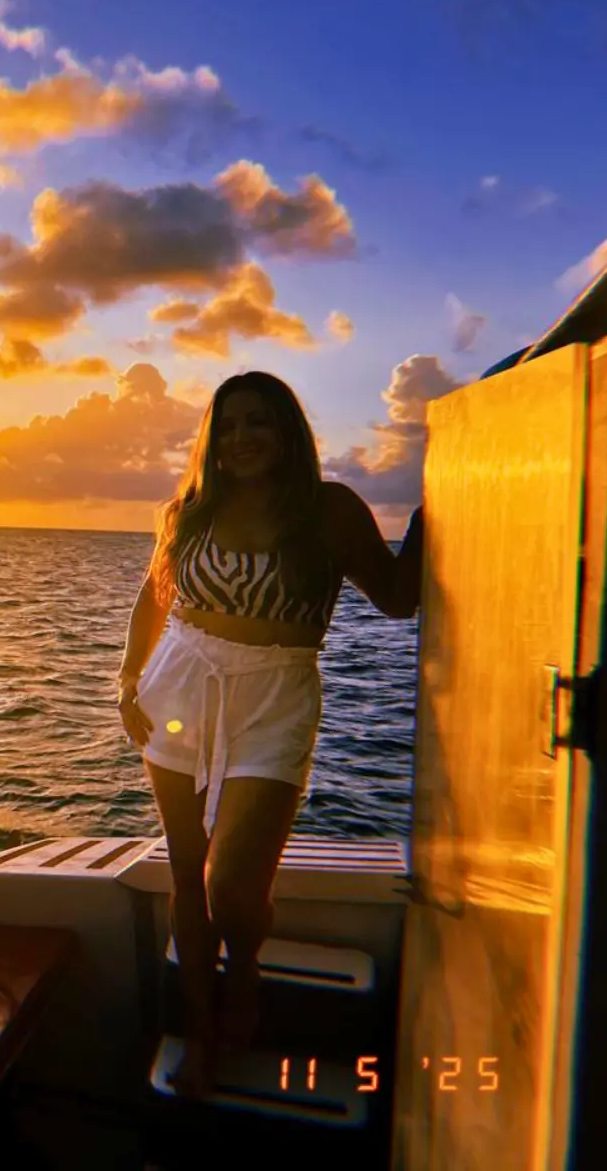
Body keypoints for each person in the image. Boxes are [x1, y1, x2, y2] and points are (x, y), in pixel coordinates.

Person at [117, 370, 424, 1098]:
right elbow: (154, 595)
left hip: (278, 694)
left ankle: (244, 973)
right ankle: (201, 1025)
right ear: (212, 442)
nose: (241, 438)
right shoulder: (189, 512)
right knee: (186, 874)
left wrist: (440, 499)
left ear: (288, 432)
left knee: (232, 885)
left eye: (258, 422)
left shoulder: (330, 511)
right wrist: (128, 680)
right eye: (227, 426)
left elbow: (398, 600)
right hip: (182, 685)